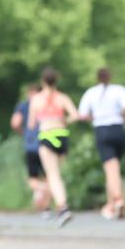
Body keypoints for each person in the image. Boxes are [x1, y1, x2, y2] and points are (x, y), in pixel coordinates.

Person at [78, 68, 125, 220]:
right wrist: (122, 116)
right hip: (118, 128)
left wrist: (94, 118)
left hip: (102, 129)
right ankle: (111, 205)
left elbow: (82, 114)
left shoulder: (91, 93)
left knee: (111, 169)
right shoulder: (119, 90)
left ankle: (118, 199)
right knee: (114, 168)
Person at [28, 68, 79, 228]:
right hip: (62, 136)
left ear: (42, 81)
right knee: (56, 174)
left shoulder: (36, 99)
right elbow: (75, 115)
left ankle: (63, 208)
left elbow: (31, 124)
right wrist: (64, 120)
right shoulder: (62, 98)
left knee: (52, 175)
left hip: (47, 137)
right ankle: (55, 206)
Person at [10, 83, 50, 216]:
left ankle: (41, 191)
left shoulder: (23, 105)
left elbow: (15, 123)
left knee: (33, 179)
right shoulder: (46, 104)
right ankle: (46, 207)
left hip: (31, 145)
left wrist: (24, 132)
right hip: (48, 143)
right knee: (48, 177)